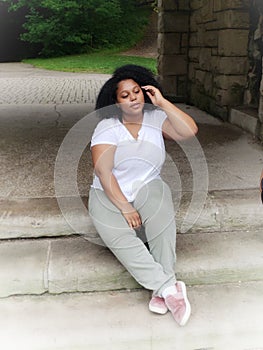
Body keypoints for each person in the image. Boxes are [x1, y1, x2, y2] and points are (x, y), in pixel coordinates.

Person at [88, 64, 198, 326]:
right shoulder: (107, 126)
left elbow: (189, 131)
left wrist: (162, 102)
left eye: (136, 91)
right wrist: (125, 207)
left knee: (161, 221)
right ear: (115, 102)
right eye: (124, 95)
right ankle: (169, 288)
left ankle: (162, 291)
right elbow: (104, 174)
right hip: (108, 194)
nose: (132, 97)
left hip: (149, 186)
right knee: (119, 238)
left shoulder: (155, 119)